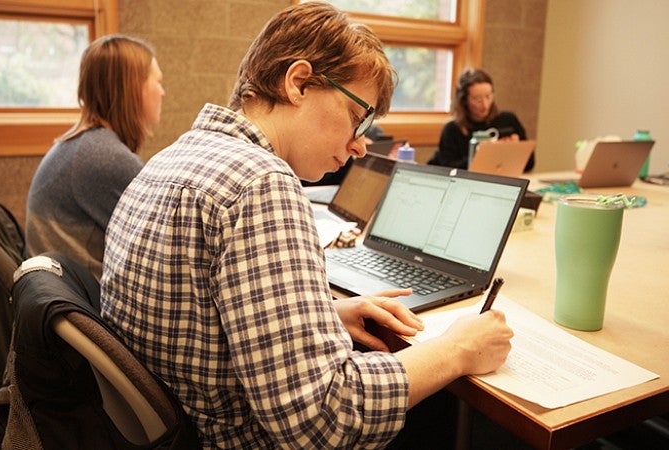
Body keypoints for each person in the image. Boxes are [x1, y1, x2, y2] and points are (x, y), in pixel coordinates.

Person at [101, 3, 513, 448]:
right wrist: (457, 350)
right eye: (358, 118)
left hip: (176, 424)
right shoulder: (261, 183)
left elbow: (197, 319)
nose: (359, 146)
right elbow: (324, 419)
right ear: (298, 83)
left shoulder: (176, 156)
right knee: (444, 411)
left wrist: (318, 313)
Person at [26, 35, 165, 280]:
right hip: (83, 305)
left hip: (60, 293)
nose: (162, 92)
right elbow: (164, 249)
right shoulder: (104, 157)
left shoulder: (83, 143)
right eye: (157, 82)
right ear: (133, 89)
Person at [428, 67, 535, 171]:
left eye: (488, 96)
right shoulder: (452, 129)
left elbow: (530, 164)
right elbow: (449, 170)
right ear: (464, 100)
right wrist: (484, 153)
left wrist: (515, 151)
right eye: (477, 99)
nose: (485, 105)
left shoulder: (508, 120)